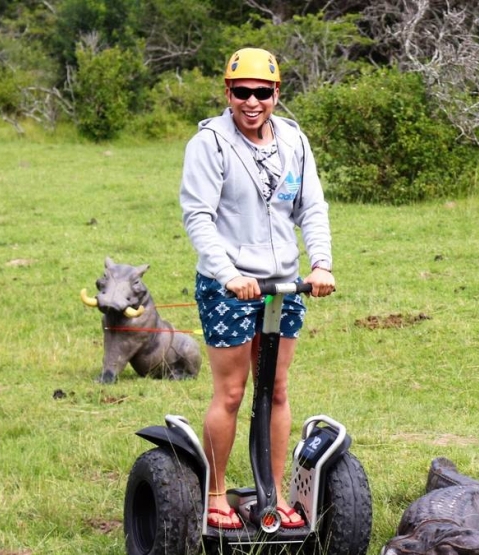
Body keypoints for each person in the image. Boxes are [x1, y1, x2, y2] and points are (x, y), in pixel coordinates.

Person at [179, 47, 335, 530]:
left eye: (262, 93)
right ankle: (216, 494)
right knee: (231, 392)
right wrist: (228, 274)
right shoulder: (210, 144)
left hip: (285, 285)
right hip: (229, 285)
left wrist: (321, 264)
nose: (252, 102)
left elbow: (311, 208)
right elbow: (198, 216)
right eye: (242, 92)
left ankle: (273, 493)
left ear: (276, 94)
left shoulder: (293, 140)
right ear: (227, 93)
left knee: (277, 388)